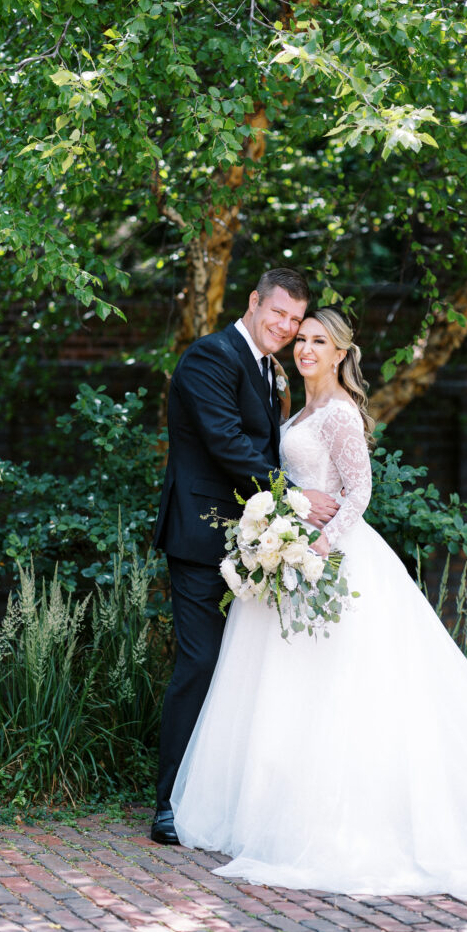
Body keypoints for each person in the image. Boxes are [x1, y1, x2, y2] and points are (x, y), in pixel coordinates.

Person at [169, 308, 467, 899]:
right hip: (292, 557)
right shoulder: (293, 407)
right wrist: (287, 535)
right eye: (301, 339)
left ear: (342, 353)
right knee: (285, 690)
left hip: (332, 558)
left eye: (319, 341)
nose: (305, 349)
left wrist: (318, 543)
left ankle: (341, 815)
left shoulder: (341, 414)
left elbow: (360, 491)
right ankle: (270, 808)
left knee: (336, 690)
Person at [151, 269, 339, 845]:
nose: (285, 327)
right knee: (202, 663)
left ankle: (229, 795)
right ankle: (169, 803)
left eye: (294, 319)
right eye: (277, 313)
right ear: (254, 302)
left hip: (257, 545)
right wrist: (296, 496)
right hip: (202, 539)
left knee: (249, 670)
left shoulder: (268, 369)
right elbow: (228, 443)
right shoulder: (210, 357)